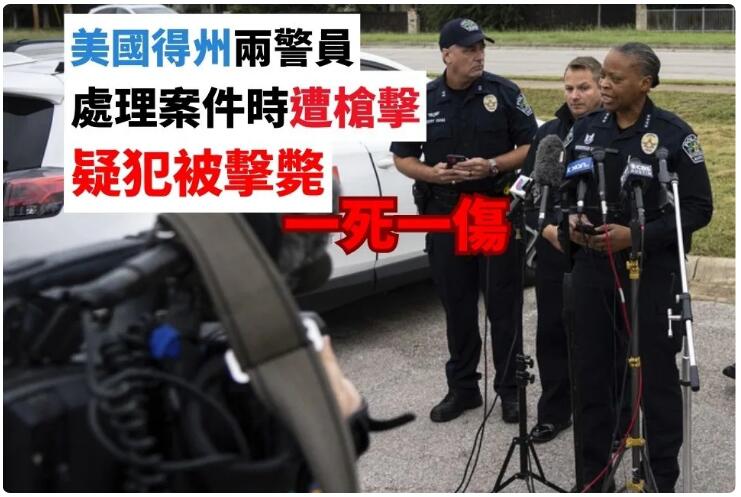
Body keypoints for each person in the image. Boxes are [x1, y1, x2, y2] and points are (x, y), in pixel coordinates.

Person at [563, 43, 712, 491]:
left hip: (651, 272)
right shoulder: (585, 129)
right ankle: (593, 477)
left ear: (645, 84)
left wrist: (636, 235)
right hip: (593, 269)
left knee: (655, 380)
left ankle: (661, 476)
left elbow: (698, 208)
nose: (604, 84)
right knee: (591, 378)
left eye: (615, 78)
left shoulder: (672, 135)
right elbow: (567, 192)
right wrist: (570, 223)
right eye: (603, 76)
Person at [390, 18, 537, 423]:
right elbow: (402, 157)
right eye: (470, 49)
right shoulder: (423, 99)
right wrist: (432, 174)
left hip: (491, 209)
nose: (479, 55)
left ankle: (510, 391)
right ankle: (463, 389)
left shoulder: (503, 93)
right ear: (446, 54)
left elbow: (531, 146)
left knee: (503, 306)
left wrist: (493, 164)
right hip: (445, 212)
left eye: (481, 48)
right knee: (456, 305)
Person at [521, 56, 603, 444]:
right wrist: (547, 229)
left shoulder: (613, 131)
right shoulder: (549, 134)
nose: (575, 95)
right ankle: (554, 413)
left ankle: (609, 415)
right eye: (569, 88)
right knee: (552, 332)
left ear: (602, 86)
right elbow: (526, 191)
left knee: (602, 337)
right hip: (555, 249)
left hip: (599, 250)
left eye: (584, 87)